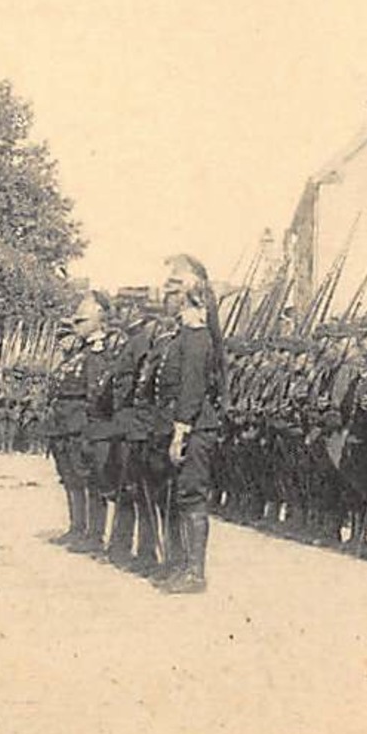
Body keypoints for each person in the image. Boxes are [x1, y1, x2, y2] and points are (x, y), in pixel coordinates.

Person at [154, 254, 225, 595]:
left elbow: (192, 388)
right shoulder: (181, 334)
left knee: (192, 495)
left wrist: (180, 432)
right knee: (180, 495)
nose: (168, 292)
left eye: (175, 284)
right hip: (183, 424)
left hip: (194, 428)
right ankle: (181, 566)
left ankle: (195, 573)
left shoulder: (196, 337)